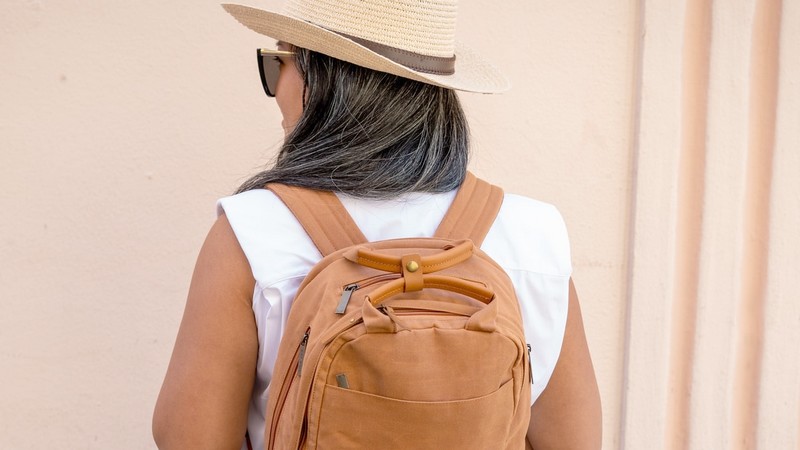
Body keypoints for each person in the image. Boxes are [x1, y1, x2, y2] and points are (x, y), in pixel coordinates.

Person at [153, 0, 602, 449]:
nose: (278, 87)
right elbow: (575, 440)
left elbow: (187, 437)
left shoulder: (253, 232)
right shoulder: (533, 234)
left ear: (322, 78)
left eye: (279, 60)